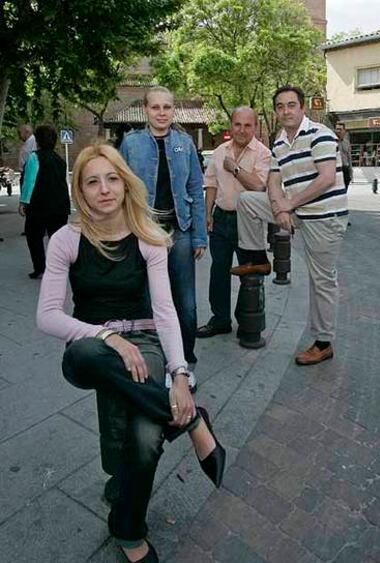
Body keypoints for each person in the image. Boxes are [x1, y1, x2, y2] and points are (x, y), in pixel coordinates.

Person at [36, 144, 225, 563]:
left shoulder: (148, 238)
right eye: (92, 181)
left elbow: (165, 312)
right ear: (79, 192)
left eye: (112, 178)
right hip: (94, 348)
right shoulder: (67, 240)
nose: (104, 189)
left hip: (145, 342)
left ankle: (127, 529)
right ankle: (192, 421)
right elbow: (47, 316)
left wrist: (179, 374)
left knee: (143, 435)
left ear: (124, 183)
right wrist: (108, 338)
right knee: (84, 356)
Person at [231, 86, 348, 365]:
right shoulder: (280, 141)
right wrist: (277, 206)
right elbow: (272, 180)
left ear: (302, 107)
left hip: (324, 216)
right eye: (280, 106)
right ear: (276, 111)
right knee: (247, 200)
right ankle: (258, 259)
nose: (286, 111)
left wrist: (289, 204)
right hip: (297, 211)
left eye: (291, 105)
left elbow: (327, 178)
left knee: (321, 280)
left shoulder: (320, 134)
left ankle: (323, 343)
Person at [120, 86, 207, 389]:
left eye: (167, 107)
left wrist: (199, 236)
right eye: (155, 107)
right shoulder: (130, 143)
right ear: (146, 110)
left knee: (186, 302)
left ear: (173, 110)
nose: (161, 113)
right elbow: (122, 191)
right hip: (144, 231)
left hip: (179, 230)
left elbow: (196, 188)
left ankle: (185, 362)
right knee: (147, 300)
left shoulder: (185, 143)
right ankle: (156, 359)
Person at [197, 107, 271, 338]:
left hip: (248, 222)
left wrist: (235, 169)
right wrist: (207, 214)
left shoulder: (263, 154)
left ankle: (247, 320)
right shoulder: (220, 151)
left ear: (255, 127)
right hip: (221, 219)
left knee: (249, 273)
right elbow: (211, 184)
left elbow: (259, 186)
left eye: (248, 125)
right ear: (231, 125)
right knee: (218, 272)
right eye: (237, 124)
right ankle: (220, 320)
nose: (242, 130)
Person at [19, 124, 70, 279]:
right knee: (57, 238)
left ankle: (40, 268)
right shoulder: (60, 160)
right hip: (60, 206)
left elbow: (29, 182)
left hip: (39, 206)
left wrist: (23, 202)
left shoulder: (34, 157)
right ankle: (59, 268)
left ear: (38, 141)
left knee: (33, 236)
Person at [335, 122, 353, 191]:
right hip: (336, 169)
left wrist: (351, 171)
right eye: (337, 129)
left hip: (345, 169)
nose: (338, 131)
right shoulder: (332, 141)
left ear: (344, 131)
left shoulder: (347, 142)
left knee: (345, 190)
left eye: (340, 129)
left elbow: (349, 157)